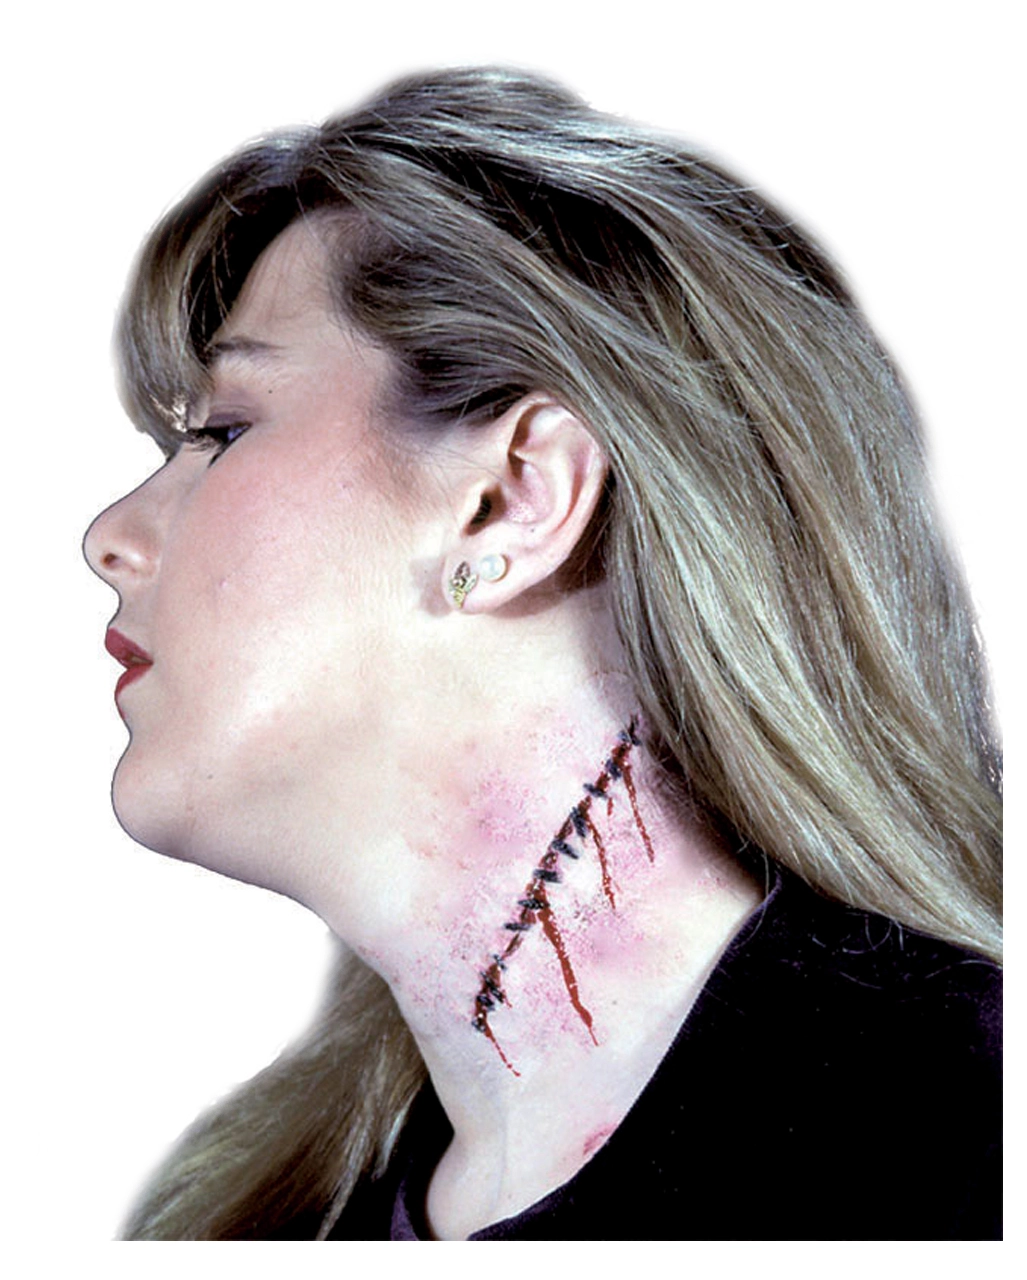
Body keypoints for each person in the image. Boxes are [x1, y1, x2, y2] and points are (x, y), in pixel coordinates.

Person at [84, 67, 1001, 1241]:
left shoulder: (970, 1152)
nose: (109, 537)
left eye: (222, 429)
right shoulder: (257, 1225)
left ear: (516, 497)